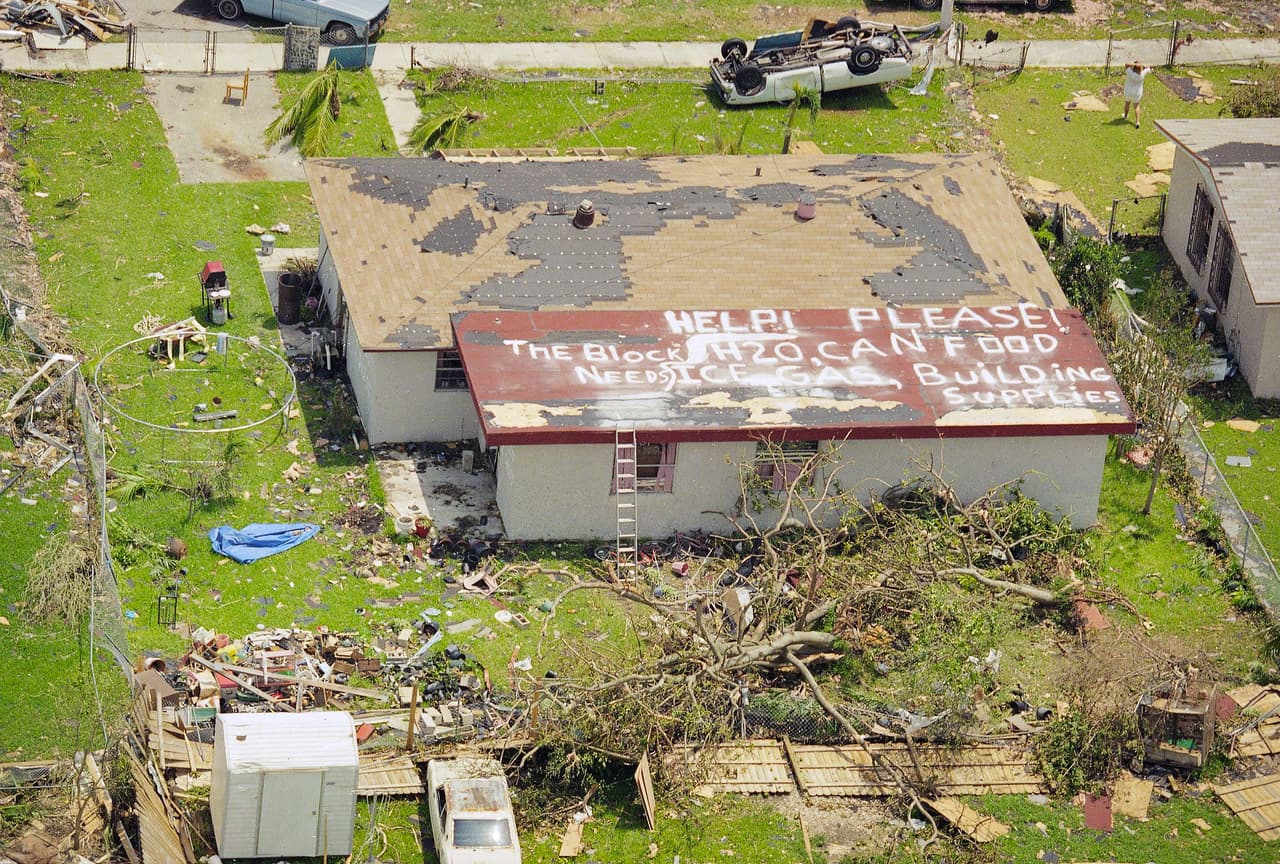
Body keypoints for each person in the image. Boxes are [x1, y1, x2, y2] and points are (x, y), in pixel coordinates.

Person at [1123, 61, 1152, 128]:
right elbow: (1148, 67)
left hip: (1128, 91)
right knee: (1136, 106)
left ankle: (1125, 116)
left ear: (1134, 67)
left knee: (1127, 103)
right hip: (1137, 93)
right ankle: (1137, 122)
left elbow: (1126, 64)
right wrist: (1142, 66)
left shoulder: (1130, 72)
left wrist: (1135, 64)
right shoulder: (1142, 74)